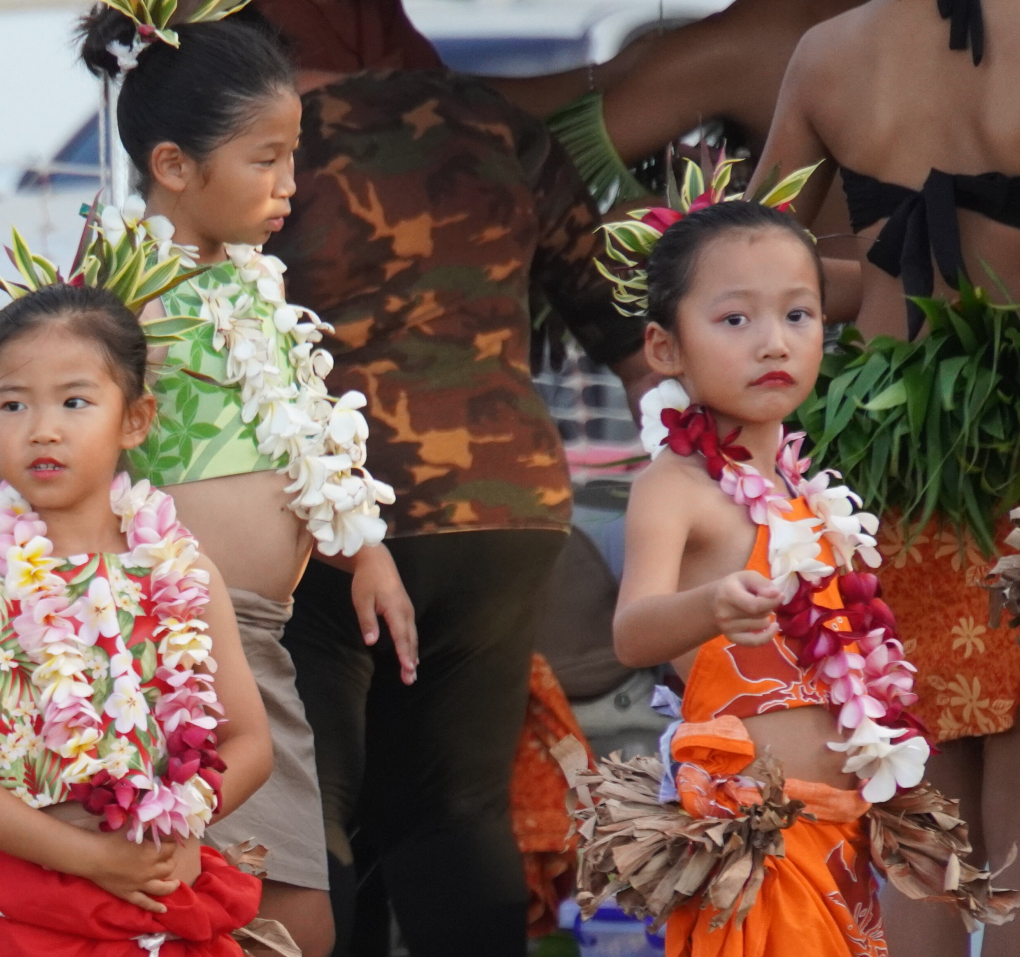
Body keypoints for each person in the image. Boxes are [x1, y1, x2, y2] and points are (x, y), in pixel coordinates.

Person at [235, 9, 652, 953]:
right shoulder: (498, 125)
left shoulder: (252, 146)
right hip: (498, 501)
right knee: (456, 806)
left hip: (319, 507)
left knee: (316, 813)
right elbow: (632, 338)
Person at [587, 192, 1017, 956]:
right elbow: (632, 629)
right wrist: (710, 604)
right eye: (734, 320)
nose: (773, 343)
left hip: (840, 838)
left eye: (798, 315)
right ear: (664, 348)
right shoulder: (676, 485)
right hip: (755, 842)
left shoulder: (808, 492)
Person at [77, 7, 417, 955]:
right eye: (266, 159)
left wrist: (366, 549)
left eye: (292, 154)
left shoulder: (251, 282)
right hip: (169, 640)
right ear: (176, 167)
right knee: (255, 905)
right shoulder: (121, 293)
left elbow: (301, 430)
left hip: (256, 639)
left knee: (289, 901)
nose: (290, 184)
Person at [750, 3, 1020, 954]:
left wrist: (876, 266)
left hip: (885, 458)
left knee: (918, 811)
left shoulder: (834, 52)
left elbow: (752, 269)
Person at [0, 282, 272, 955]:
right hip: (41, 903)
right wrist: (90, 858)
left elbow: (250, 739)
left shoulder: (187, 575)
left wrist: (185, 829)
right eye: (14, 404)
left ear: (135, 419)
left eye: (75, 401)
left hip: (167, 882)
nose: (43, 428)